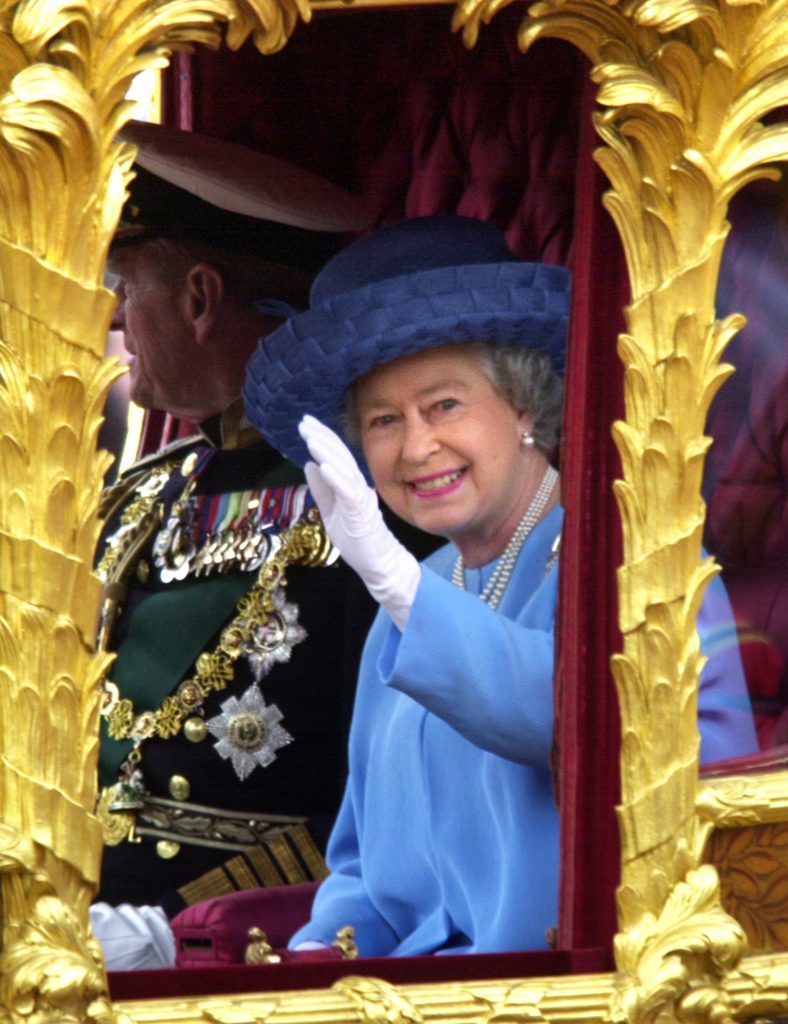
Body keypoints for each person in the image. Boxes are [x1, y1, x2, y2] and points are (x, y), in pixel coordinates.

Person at [241, 215, 759, 957]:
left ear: (523, 406)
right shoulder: (416, 592)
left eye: (445, 405)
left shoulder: (635, 558)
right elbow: (363, 875)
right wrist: (310, 968)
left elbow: (586, 733)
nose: (417, 447)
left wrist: (396, 587)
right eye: (384, 420)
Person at [90, 121, 403, 971]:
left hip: (220, 937)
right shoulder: (141, 495)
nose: (118, 322)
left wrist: (188, 931)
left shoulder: (369, 509)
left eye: (127, 287)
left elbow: (370, 805)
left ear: (199, 298)